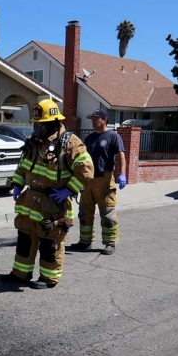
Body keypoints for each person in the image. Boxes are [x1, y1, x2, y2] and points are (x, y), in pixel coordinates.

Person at [1, 99, 94, 289]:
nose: (37, 128)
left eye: (41, 124)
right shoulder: (34, 142)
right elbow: (23, 166)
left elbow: (86, 170)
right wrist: (17, 184)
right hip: (31, 200)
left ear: (52, 123)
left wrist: (68, 190)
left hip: (53, 202)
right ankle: (21, 274)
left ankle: (49, 277)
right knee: (25, 239)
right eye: (36, 124)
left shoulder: (71, 143)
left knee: (50, 243)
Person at [70, 108, 126, 255]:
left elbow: (121, 155)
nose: (94, 121)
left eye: (96, 119)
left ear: (105, 119)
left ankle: (110, 243)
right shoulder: (90, 138)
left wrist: (122, 174)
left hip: (105, 179)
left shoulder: (113, 136)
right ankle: (85, 241)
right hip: (88, 180)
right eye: (92, 119)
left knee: (107, 214)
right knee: (84, 213)